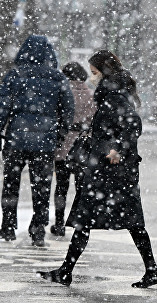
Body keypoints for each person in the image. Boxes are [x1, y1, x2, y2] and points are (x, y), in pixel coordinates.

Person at [37, 50, 157, 288]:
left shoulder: (113, 93)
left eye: (94, 73)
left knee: (104, 220)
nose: (92, 78)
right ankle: (67, 270)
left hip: (112, 171)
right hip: (111, 171)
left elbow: (133, 124)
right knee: (99, 220)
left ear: (103, 71)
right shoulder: (113, 91)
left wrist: (116, 148)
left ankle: (151, 270)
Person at [0, 35, 75, 247]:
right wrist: (60, 134)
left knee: (11, 184)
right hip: (45, 141)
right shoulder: (57, 78)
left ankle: (8, 226)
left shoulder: (14, 76)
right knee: (42, 187)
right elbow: (68, 110)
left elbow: (1, 106)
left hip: (16, 138)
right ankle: (38, 228)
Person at [51, 62, 96, 237]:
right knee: (80, 187)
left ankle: (59, 223)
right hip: (81, 147)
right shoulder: (91, 96)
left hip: (62, 145)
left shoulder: (60, 93)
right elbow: (94, 122)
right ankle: (79, 221)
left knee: (61, 187)